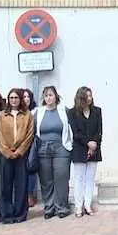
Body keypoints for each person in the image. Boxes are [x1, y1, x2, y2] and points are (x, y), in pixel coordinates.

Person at [0, 89, 34, 224]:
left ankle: (19, 214)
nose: (14, 100)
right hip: (6, 155)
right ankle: (6, 215)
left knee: (21, 185)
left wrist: (19, 151)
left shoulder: (27, 115)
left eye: (16, 97)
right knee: (5, 186)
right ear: (8, 99)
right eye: (11, 98)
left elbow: (29, 135)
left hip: (21, 155)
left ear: (20, 99)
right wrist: (7, 152)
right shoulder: (1, 115)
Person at [35, 86, 74, 219]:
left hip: (61, 147)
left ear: (56, 96)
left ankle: (62, 207)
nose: (48, 98)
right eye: (46, 96)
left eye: (51, 95)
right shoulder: (38, 112)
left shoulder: (64, 110)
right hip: (43, 148)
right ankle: (49, 207)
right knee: (46, 180)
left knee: (61, 177)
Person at [68, 86, 102, 216]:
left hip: (94, 149)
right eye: (87, 96)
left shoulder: (97, 111)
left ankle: (88, 204)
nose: (90, 98)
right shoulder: (72, 112)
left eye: (90, 96)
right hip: (79, 148)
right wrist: (87, 143)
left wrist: (94, 145)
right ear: (80, 98)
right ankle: (78, 206)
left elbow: (99, 131)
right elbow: (75, 132)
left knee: (90, 178)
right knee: (79, 178)